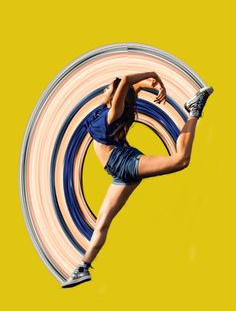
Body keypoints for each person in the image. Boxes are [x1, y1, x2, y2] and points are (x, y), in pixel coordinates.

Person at [62, 72, 214, 288]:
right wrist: (153, 84)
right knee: (102, 222)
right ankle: (82, 268)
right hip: (118, 171)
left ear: (116, 97)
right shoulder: (105, 110)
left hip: (124, 162)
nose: (105, 89)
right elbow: (135, 87)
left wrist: (153, 74)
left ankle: (195, 110)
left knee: (181, 160)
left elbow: (125, 81)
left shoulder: (113, 113)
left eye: (109, 88)